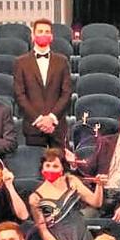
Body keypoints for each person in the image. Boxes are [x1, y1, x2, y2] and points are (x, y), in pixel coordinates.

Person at [29, 146, 103, 240]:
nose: (51, 169)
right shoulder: (35, 198)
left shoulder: (72, 181)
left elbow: (96, 203)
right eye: (48, 166)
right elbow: (43, 231)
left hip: (80, 236)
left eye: (55, 166)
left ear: (62, 168)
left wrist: (99, 186)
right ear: (42, 169)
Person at [13, 18, 72, 147]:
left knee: (59, 165)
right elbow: (19, 95)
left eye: (47, 32)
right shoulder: (21, 62)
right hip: (33, 127)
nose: (43, 34)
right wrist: (39, 120)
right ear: (33, 36)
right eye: (40, 31)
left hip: (57, 127)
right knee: (34, 165)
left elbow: (66, 93)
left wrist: (51, 118)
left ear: (51, 37)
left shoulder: (62, 61)